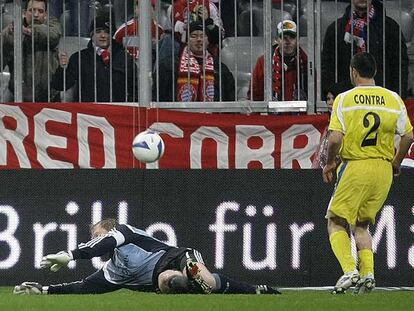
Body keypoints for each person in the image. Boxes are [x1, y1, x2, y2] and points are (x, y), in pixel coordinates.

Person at [322, 52, 413, 294]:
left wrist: (330, 163)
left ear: (353, 71)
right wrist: (396, 162)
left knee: (336, 221)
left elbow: (335, 139)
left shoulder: (345, 99)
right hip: (383, 169)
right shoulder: (393, 99)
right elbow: (409, 136)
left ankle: (350, 270)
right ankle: (368, 275)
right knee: (362, 225)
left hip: (356, 165)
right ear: (374, 72)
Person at [13, 219, 281, 295]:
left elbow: (100, 244)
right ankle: (190, 283)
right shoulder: (111, 273)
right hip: (162, 276)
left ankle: (253, 289)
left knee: (206, 282)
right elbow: (83, 287)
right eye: (92, 236)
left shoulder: (124, 232)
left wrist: (70, 254)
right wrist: (44, 290)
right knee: (168, 282)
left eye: (97, 234)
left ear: (109, 230)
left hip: (176, 256)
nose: (95, 239)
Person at [321, 0, 409, 102]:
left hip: (381, 102)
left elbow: (399, 66)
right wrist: (332, 93)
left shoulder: (390, 27)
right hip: (347, 102)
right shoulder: (336, 29)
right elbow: (328, 66)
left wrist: (398, 98)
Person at [51, 12, 137, 102]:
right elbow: (60, 85)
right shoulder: (79, 58)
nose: (103, 35)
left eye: (107, 32)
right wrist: (62, 68)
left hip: (117, 112)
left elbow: (135, 90)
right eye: (98, 31)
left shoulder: (125, 58)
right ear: (91, 34)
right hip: (87, 113)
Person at [154, 20, 235, 102]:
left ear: (208, 41)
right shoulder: (169, 65)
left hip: (212, 114)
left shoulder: (220, 68)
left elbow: (230, 99)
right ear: (187, 40)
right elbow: (159, 95)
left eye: (202, 36)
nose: (199, 39)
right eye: (194, 36)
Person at [0, 0, 61, 102]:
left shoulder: (53, 25)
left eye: (40, 11)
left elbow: (53, 35)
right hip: (19, 97)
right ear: (24, 12)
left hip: (50, 97)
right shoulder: (11, 30)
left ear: (45, 14)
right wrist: (8, 37)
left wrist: (28, 31)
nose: (36, 15)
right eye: (32, 10)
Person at [248, 20, 308, 101]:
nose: (288, 42)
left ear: (298, 39)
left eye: (292, 37)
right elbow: (254, 94)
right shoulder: (263, 62)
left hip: (300, 112)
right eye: (283, 37)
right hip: (271, 112)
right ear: (276, 39)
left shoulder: (306, 62)